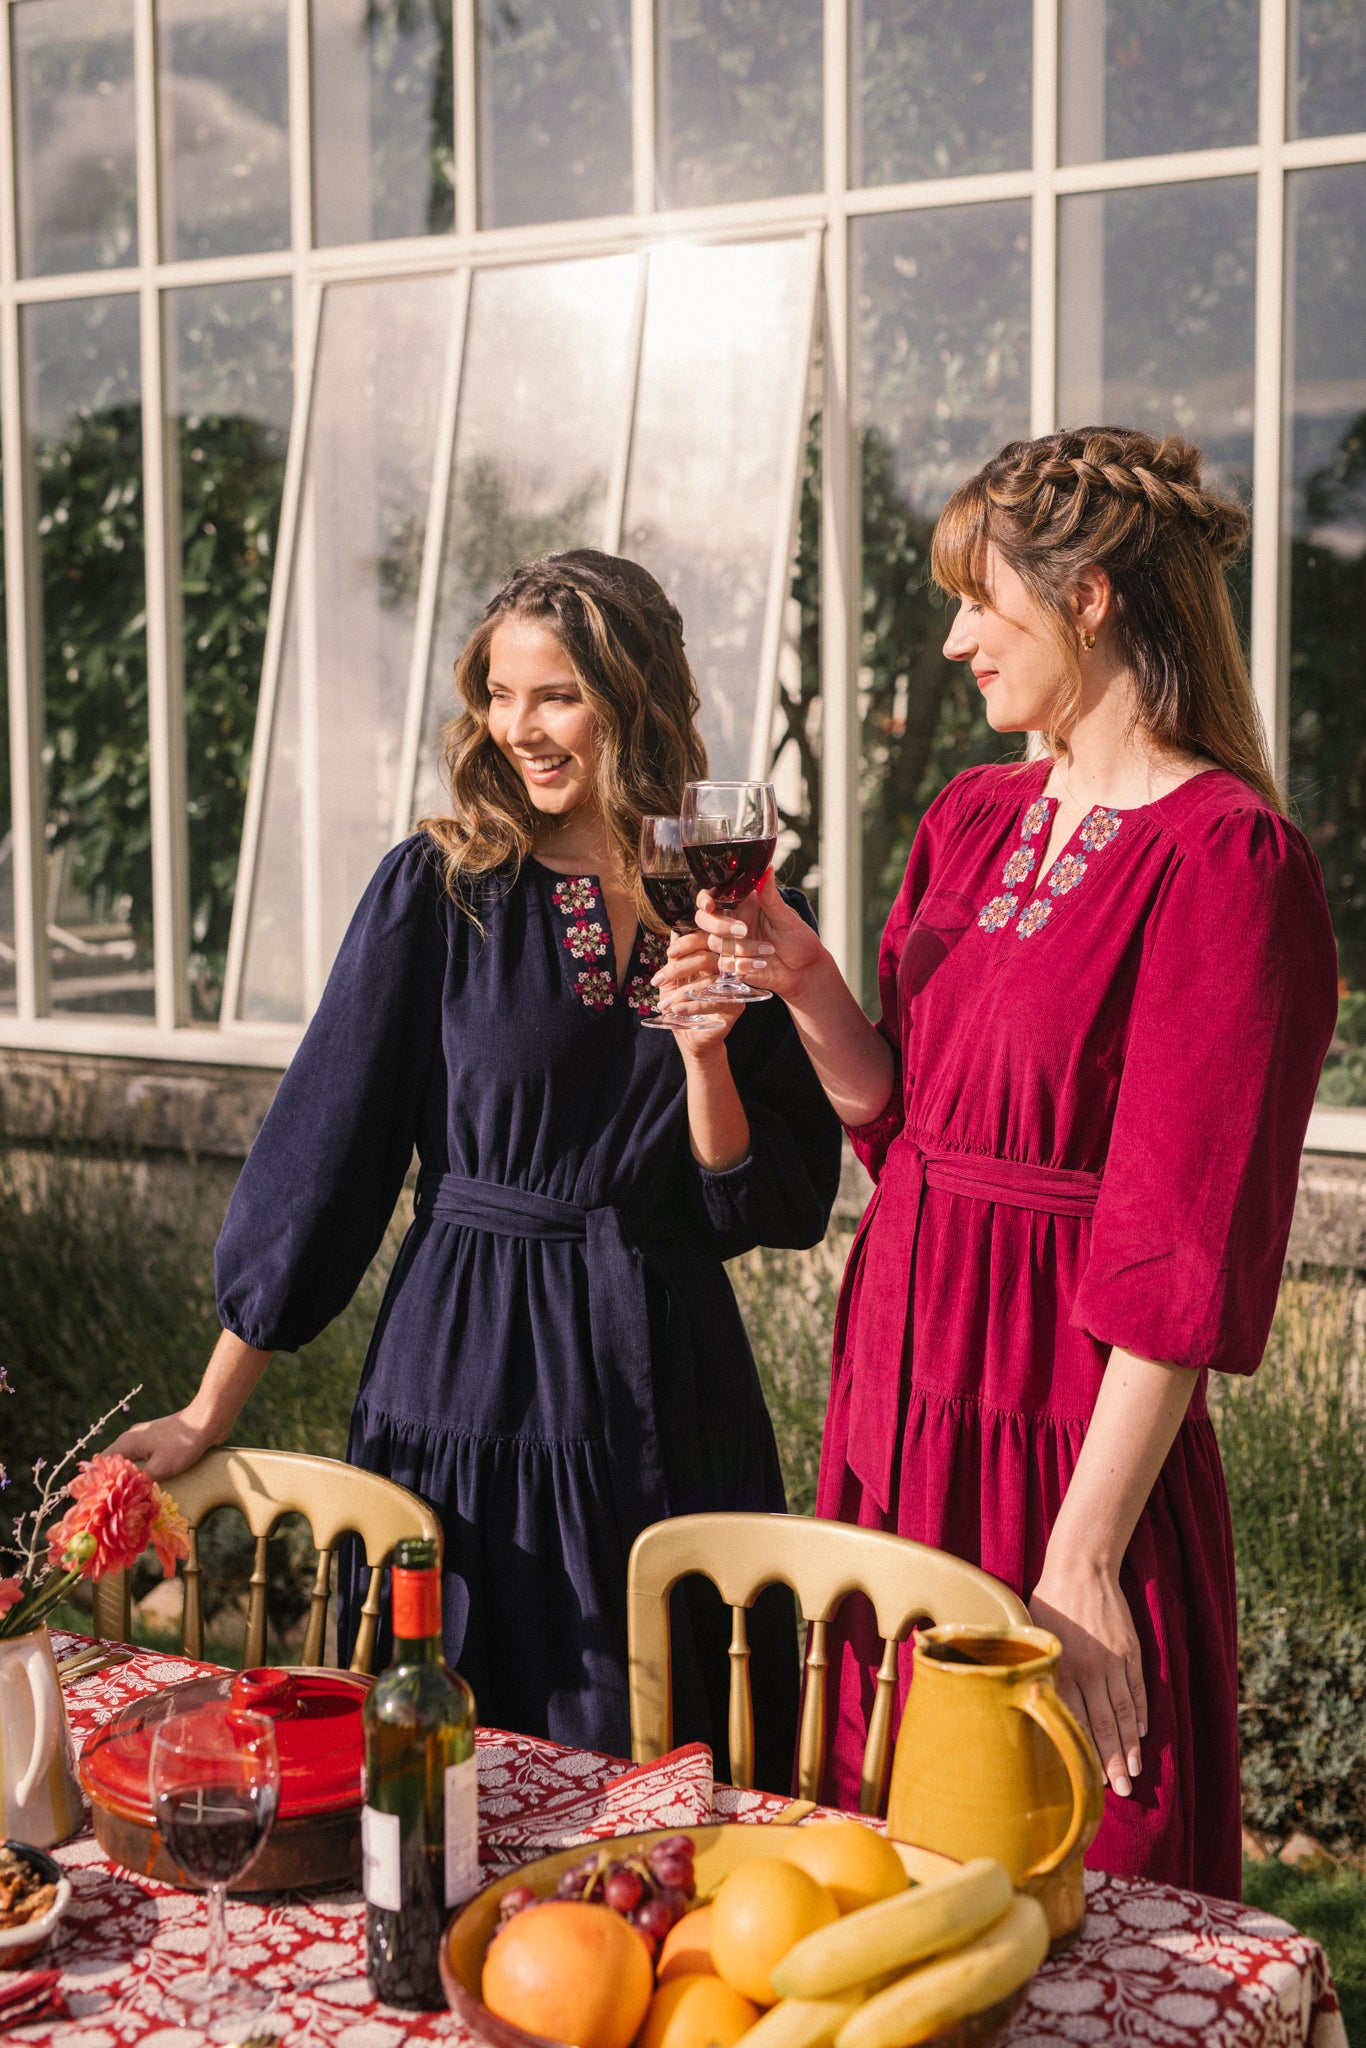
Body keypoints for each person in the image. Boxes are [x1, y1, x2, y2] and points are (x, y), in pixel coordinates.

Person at [672, 429, 1338, 1894]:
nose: (957, 635)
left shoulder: (1228, 861)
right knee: (881, 1858)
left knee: (1084, 1860)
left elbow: (1182, 1239)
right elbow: (904, 1128)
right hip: (898, 1390)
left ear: (1089, 599)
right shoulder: (971, 820)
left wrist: (1084, 1545)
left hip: (1063, 1420)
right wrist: (803, 981)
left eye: (983, 600)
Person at [113, 549, 841, 1781]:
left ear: (631, 691)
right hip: (472, 1377)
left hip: (668, 1376)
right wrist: (207, 1405)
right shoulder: (443, 889)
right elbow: (322, 1157)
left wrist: (707, 1056)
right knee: (452, 1756)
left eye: (553, 694)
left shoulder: (728, 895)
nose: (517, 729)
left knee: (684, 1772)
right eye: (499, 696)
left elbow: (767, 1198)